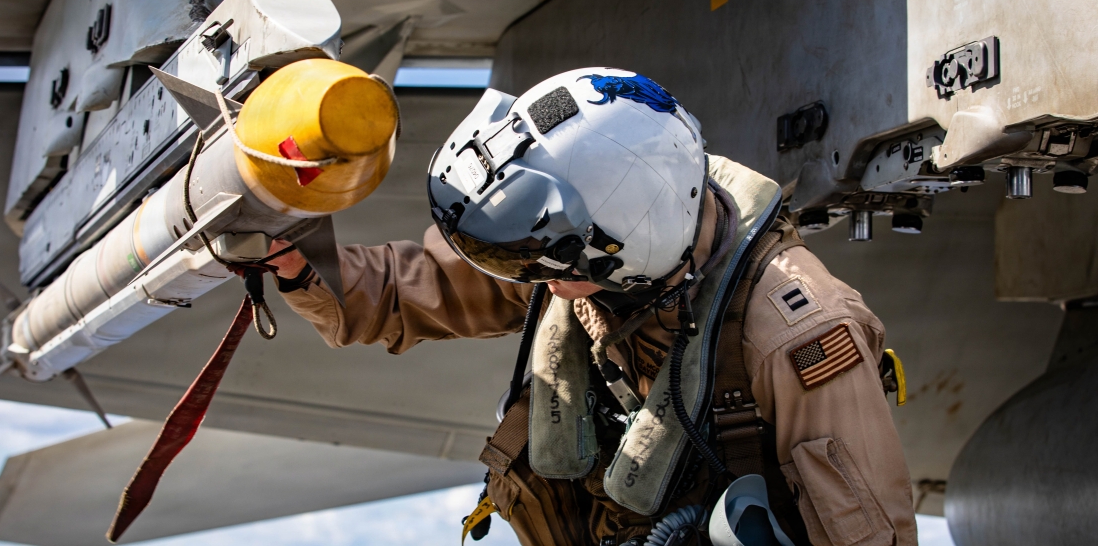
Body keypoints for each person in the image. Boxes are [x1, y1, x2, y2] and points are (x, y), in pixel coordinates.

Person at [268, 68, 917, 546]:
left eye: (538, 265)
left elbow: (867, 531)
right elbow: (418, 287)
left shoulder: (795, 331)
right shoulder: (582, 241)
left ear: (621, 253)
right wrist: (303, 267)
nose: (529, 281)